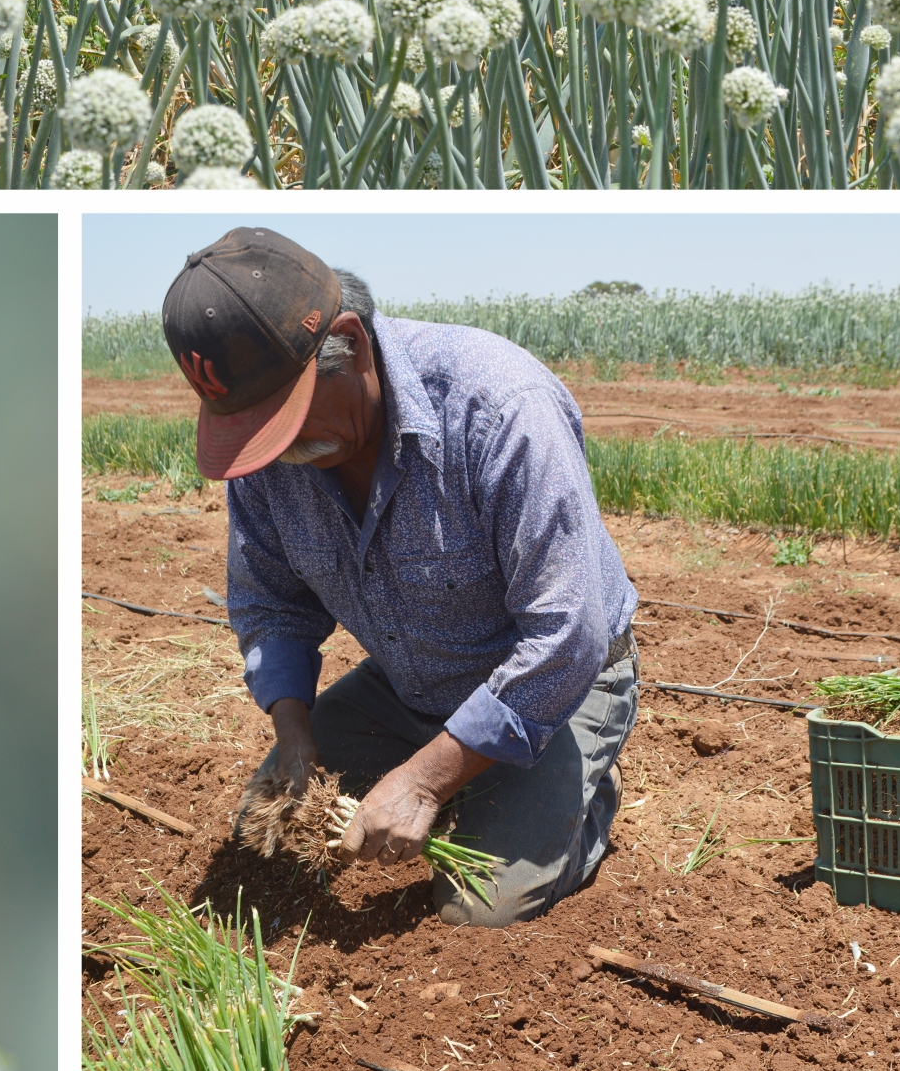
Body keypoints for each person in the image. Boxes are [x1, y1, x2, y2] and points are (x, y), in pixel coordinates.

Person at [162, 227, 640, 925]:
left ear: (350, 343)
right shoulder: (270, 461)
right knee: (268, 838)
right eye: (256, 429)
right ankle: (472, 781)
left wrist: (421, 781)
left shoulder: (499, 406)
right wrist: (295, 735)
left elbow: (565, 636)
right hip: (412, 680)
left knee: (480, 910)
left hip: (557, 682)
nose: (279, 449)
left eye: (285, 420)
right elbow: (271, 605)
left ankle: (578, 793)